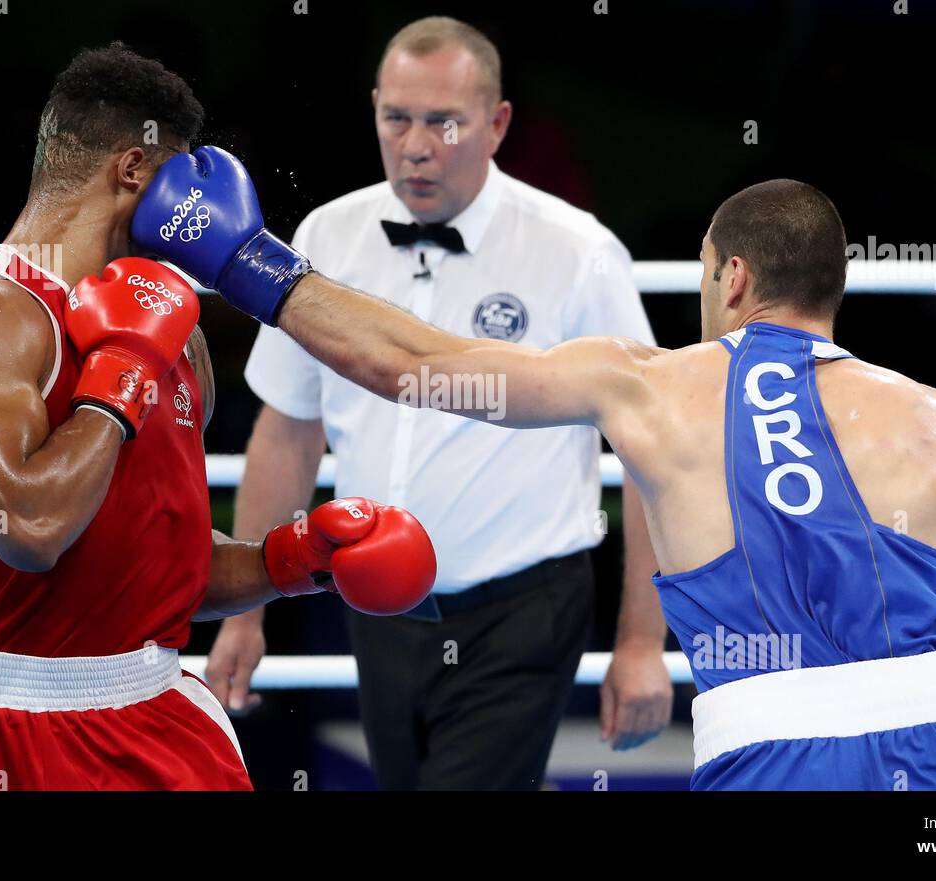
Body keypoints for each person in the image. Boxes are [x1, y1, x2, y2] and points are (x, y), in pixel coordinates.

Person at [133, 158, 936, 789]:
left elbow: (417, 365)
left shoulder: (642, 385)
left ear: (731, 277)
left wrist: (250, 263)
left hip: (778, 758)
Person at [0, 44, 435, 791]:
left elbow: (168, 566)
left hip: (148, 714)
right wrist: (120, 375)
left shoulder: (179, 334)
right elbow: (29, 533)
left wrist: (290, 560)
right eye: (181, 176)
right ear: (133, 171)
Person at [203, 16, 671, 790]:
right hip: (375, 604)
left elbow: (654, 452)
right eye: (397, 118)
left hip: (523, 609)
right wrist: (247, 612)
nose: (416, 145)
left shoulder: (576, 251)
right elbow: (288, 431)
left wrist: (641, 641)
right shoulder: (327, 235)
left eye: (444, 122)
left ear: (497, 124)